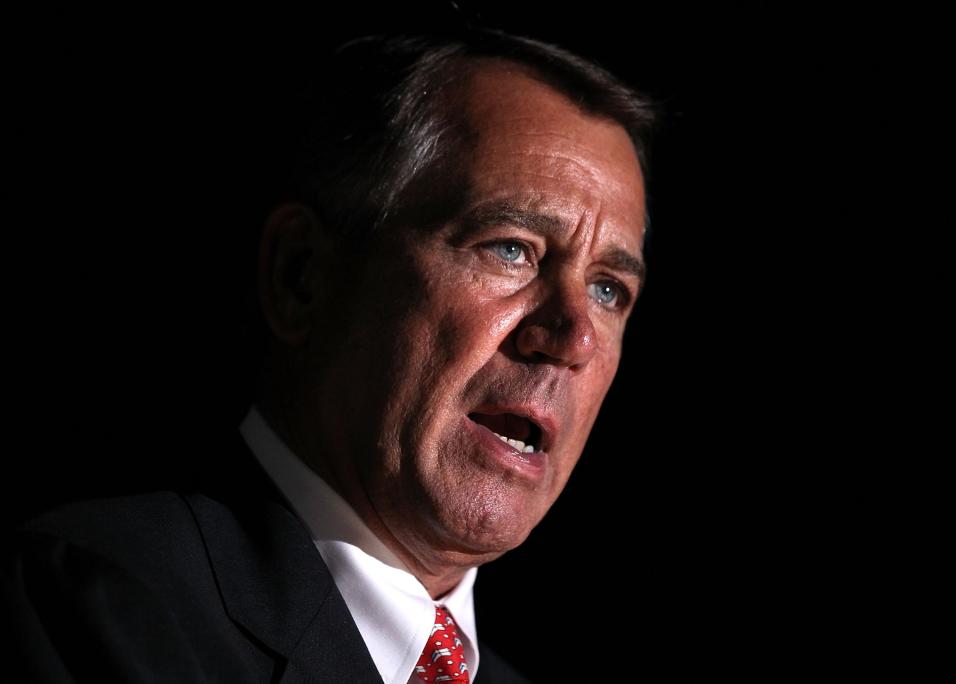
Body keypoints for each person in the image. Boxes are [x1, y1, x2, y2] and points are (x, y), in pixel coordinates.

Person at [3, 28, 655, 683]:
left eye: (609, 289)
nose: (573, 338)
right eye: (510, 248)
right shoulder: (98, 605)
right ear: (302, 276)